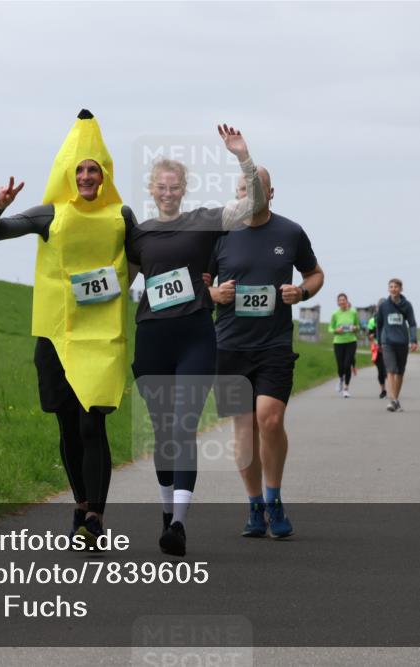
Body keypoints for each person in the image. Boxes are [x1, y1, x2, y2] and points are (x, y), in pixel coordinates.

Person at [0, 110, 134, 550]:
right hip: (56, 336)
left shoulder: (122, 215)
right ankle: (81, 505)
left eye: (94, 170)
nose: (86, 176)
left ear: (105, 175)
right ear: (68, 174)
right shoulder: (49, 214)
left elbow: (148, 256)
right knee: (67, 427)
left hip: (101, 337)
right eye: (79, 169)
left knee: (91, 426)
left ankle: (95, 519)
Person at [129, 124, 266, 557]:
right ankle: (167, 512)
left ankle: (181, 526)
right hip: (151, 338)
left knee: (184, 426)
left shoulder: (204, 220)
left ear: (184, 189)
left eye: (175, 186)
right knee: (164, 431)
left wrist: (242, 157)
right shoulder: (139, 233)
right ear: (152, 189)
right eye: (161, 186)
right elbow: (118, 283)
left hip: (194, 336)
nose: (168, 192)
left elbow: (253, 206)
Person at [208, 166, 322, 538]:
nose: (250, 194)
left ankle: (274, 498)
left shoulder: (290, 232)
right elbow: (199, 280)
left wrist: (301, 292)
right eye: (243, 188)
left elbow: (316, 273)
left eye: (257, 188)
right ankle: (255, 504)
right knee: (243, 427)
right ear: (237, 193)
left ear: (271, 194)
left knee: (269, 419)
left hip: (273, 344)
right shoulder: (222, 233)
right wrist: (213, 294)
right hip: (230, 345)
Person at [374, 278, 418, 412]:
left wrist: (414, 340)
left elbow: (412, 323)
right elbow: (379, 324)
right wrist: (378, 341)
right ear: (388, 289)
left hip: (402, 342)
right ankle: (392, 400)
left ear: (401, 289)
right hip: (387, 342)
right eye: (391, 287)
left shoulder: (407, 305)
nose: (393, 289)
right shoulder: (384, 306)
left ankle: (395, 400)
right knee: (391, 370)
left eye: (396, 287)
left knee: (400, 372)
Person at [329, 293, 359, 398]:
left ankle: (346, 388)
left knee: (347, 365)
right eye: (340, 300)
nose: (342, 301)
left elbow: (357, 326)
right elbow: (330, 328)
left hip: (351, 341)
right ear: (338, 302)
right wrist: (336, 330)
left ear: (347, 301)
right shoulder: (335, 314)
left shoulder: (353, 313)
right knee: (340, 366)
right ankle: (341, 379)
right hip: (338, 342)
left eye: (344, 300)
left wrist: (355, 328)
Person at [366, 315, 387, 399]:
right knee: (381, 370)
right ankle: (383, 390)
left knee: (387, 370)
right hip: (377, 348)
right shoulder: (372, 321)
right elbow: (369, 335)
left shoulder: (388, 318)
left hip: (388, 347)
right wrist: (370, 337)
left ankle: (392, 389)